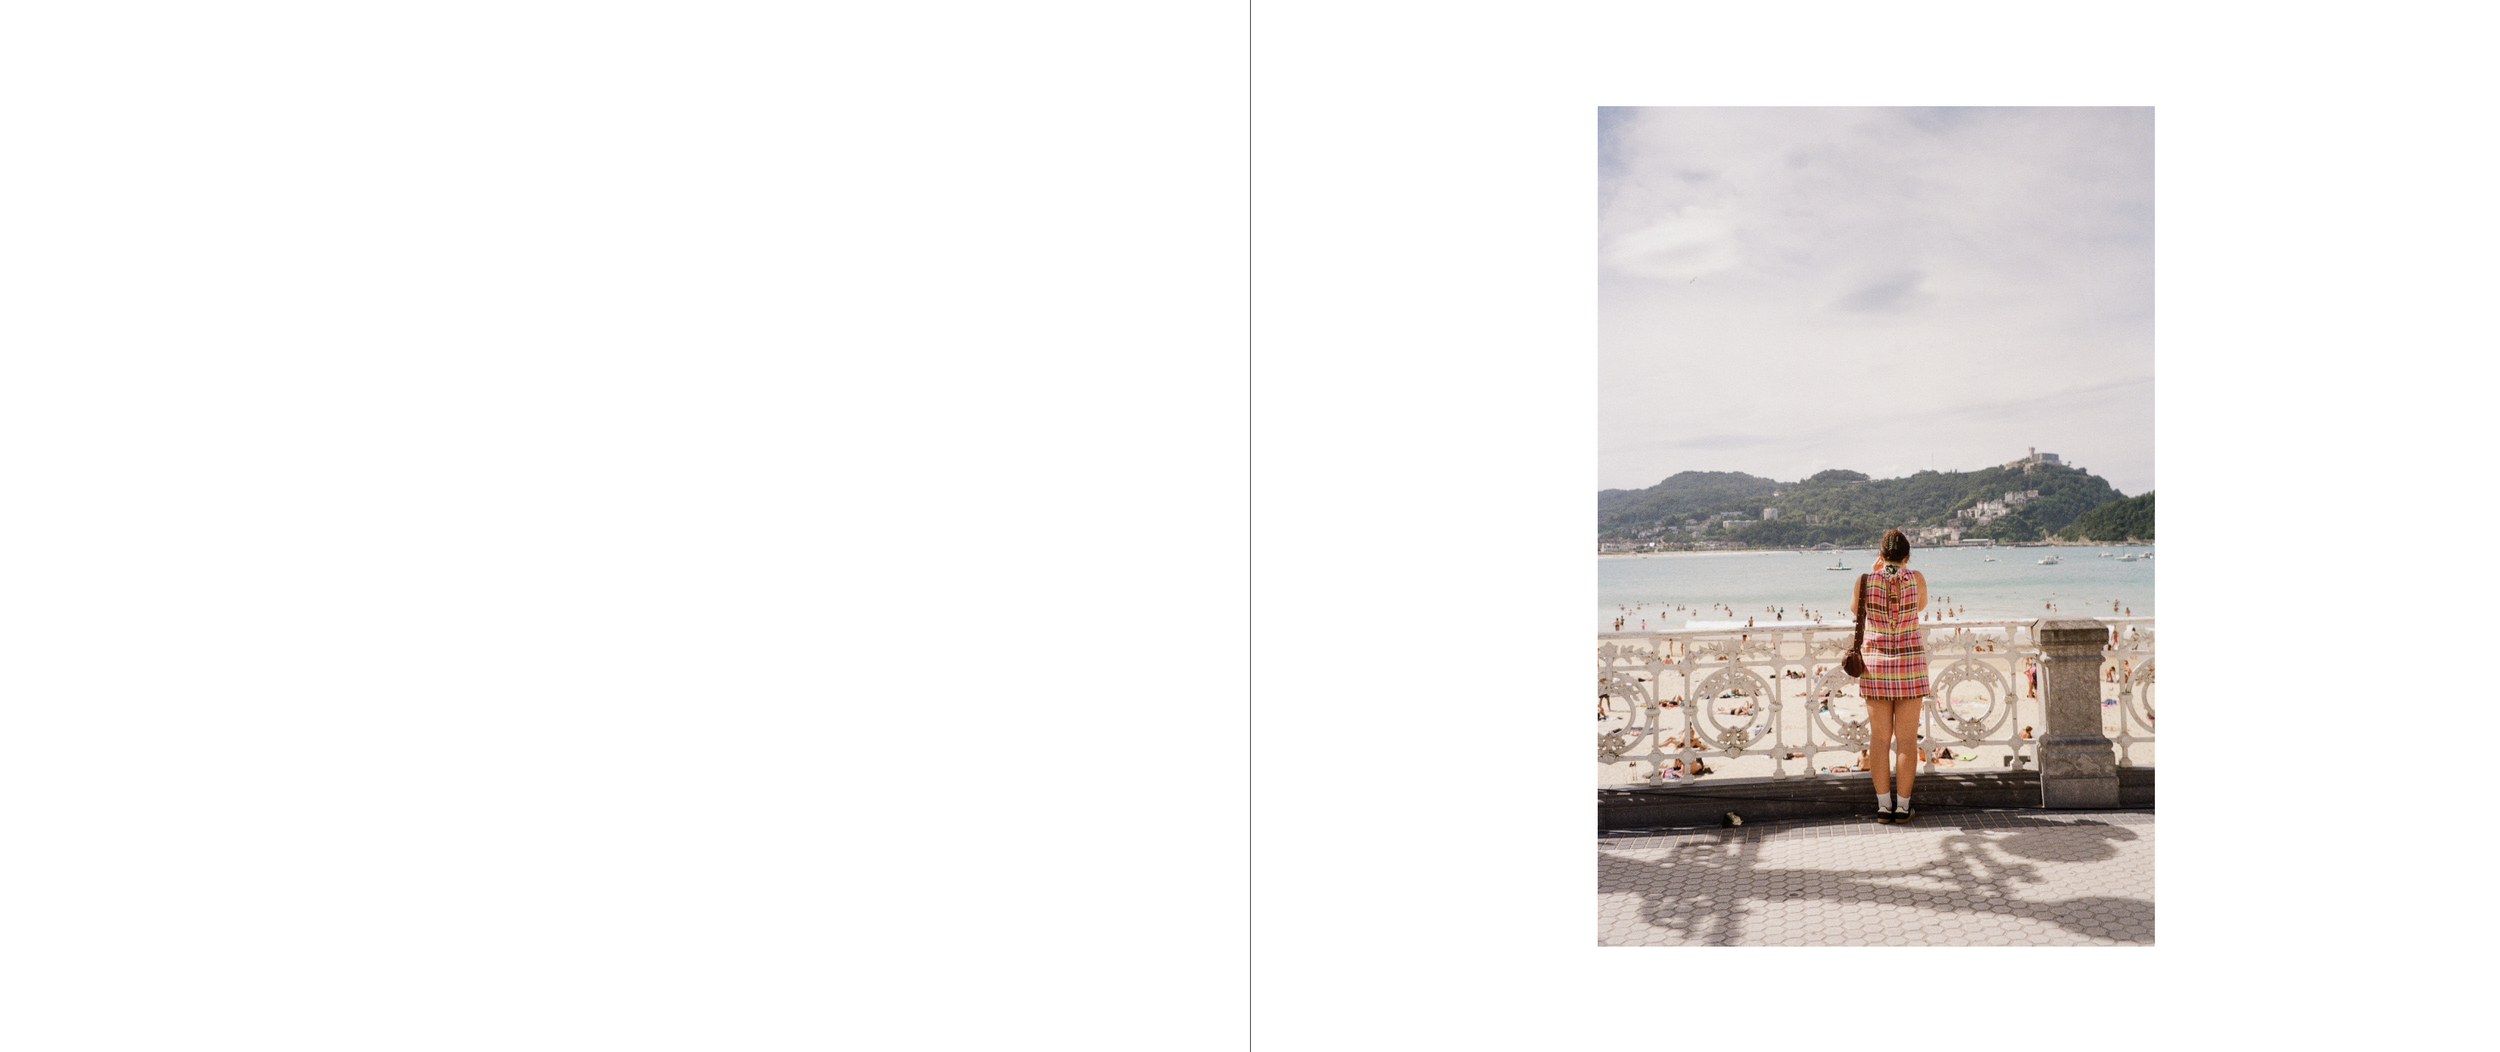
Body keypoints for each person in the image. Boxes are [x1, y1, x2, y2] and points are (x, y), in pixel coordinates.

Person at [1853, 528, 1931, 824]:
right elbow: (1920, 606)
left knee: (1879, 739)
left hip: (1876, 668)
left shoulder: (1865, 580)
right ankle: (1903, 807)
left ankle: (1884, 806)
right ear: (1907, 557)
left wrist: (1876, 572)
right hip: (1910, 665)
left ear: (1880, 554)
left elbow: (1856, 610)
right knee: (1907, 740)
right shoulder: (1917, 578)